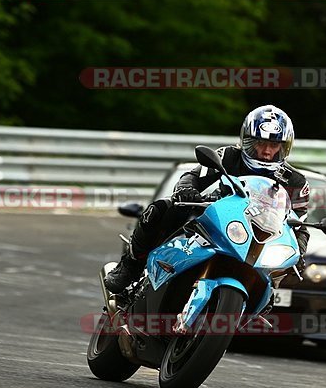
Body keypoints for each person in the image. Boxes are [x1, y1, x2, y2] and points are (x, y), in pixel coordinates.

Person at [104, 104, 311, 294]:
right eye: (260, 143)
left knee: (282, 276)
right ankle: (130, 266)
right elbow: (192, 176)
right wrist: (186, 190)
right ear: (248, 141)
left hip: (259, 241)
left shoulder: (295, 182)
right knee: (159, 208)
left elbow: (299, 226)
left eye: (274, 145)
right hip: (220, 220)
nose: (266, 151)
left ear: (285, 147)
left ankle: (258, 303)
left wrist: (300, 253)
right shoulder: (229, 156)